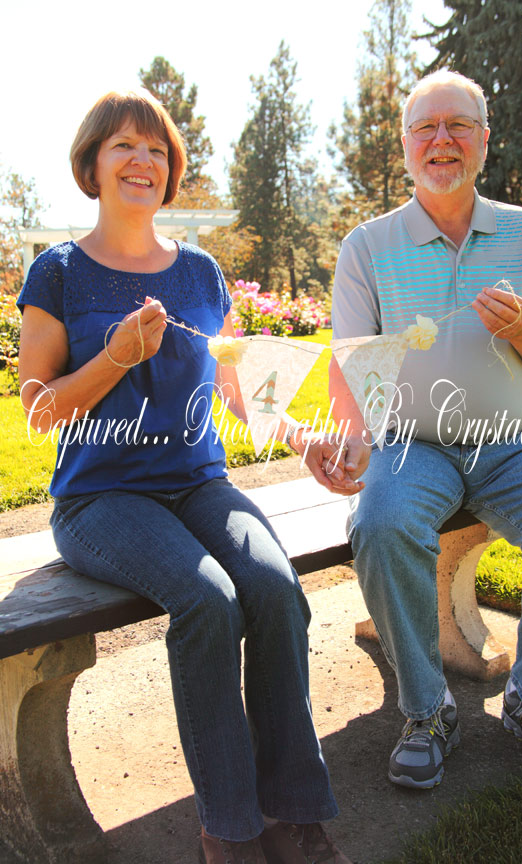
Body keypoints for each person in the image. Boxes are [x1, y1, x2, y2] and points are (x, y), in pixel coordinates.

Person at [17, 88, 356, 863]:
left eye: (157, 150)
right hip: (100, 499)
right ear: (92, 163)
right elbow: (37, 409)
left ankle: (295, 814)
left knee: (274, 588)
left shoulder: (200, 271)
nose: (143, 160)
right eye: (124, 145)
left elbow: (238, 386)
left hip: (200, 485)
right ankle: (229, 831)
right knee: (207, 599)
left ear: (170, 171)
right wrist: (114, 358)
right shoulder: (58, 271)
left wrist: (304, 439)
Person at [329, 69, 522, 790]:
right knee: (380, 524)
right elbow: (353, 363)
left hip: (511, 442)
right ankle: (427, 708)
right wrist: (354, 439)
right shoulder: (368, 246)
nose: (442, 140)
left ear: (484, 141)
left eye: (458, 125)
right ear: (406, 145)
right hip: (411, 445)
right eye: (426, 128)